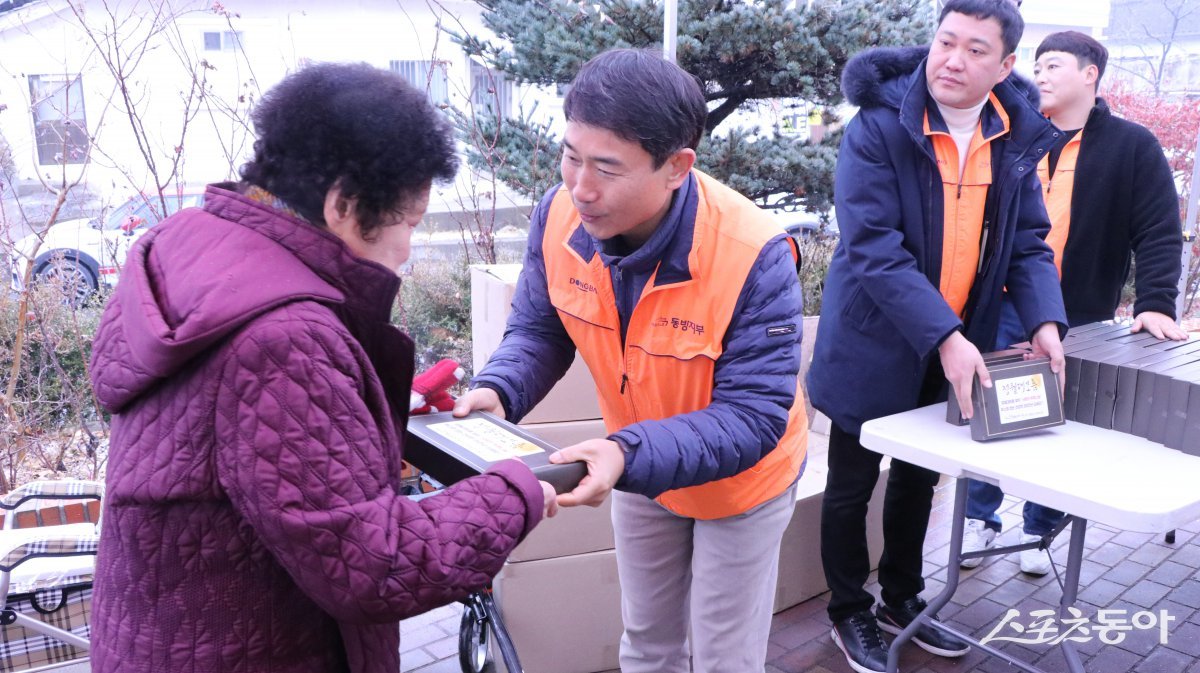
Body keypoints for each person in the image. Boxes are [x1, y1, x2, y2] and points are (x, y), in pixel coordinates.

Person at [87, 63, 557, 673]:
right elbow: (373, 564)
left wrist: (356, 402)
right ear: (343, 204)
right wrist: (514, 492)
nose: (409, 247)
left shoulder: (198, 253)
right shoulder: (284, 340)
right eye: (409, 223)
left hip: (165, 636)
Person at [453, 48, 809, 673]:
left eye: (607, 168)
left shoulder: (753, 253)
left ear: (676, 167)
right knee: (646, 641)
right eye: (570, 156)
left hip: (739, 482)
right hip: (638, 468)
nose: (580, 188)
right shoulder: (559, 215)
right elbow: (541, 327)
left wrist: (626, 453)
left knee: (726, 655)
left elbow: (754, 416)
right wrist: (498, 390)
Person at [806, 1, 1070, 671]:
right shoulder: (879, 126)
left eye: (975, 49)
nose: (953, 59)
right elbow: (874, 247)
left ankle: (902, 600)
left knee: (920, 482)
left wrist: (1044, 319)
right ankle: (847, 610)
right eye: (945, 41)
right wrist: (945, 334)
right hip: (873, 339)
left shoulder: (1013, 135)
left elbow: (1028, 242)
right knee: (850, 483)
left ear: (1005, 64)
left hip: (955, 344)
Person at [962, 30, 1186, 576]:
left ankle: (1040, 528)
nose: (1039, 74)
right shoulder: (1011, 135)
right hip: (1003, 301)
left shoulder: (1130, 145)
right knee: (987, 406)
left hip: (1079, 307)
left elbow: (1158, 230)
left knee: (1060, 422)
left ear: (1090, 74)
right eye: (1035, 64)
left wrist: (1155, 302)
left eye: (1053, 64)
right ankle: (978, 517)